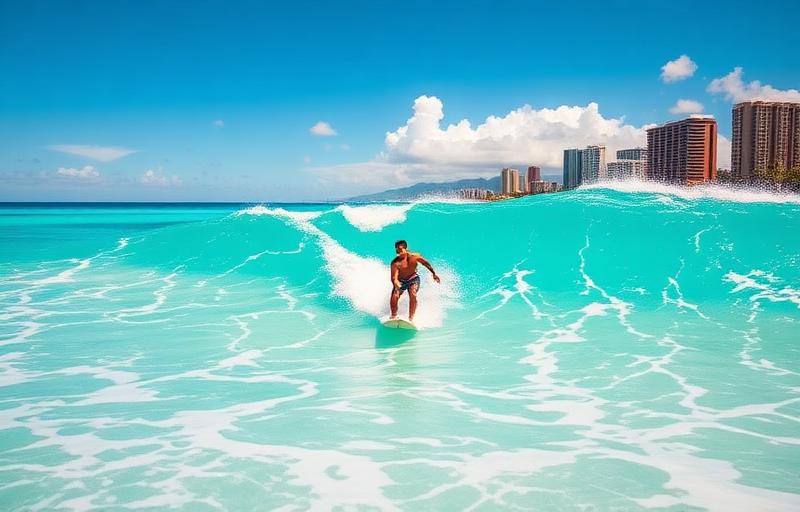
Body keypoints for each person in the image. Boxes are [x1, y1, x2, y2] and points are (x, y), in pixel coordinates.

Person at [389, 240, 440, 322]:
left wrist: (434, 273)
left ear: (406, 248)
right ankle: (393, 316)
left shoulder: (415, 256)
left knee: (413, 294)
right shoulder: (395, 263)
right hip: (400, 281)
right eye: (397, 249)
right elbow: (394, 277)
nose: (399, 251)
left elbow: (426, 263)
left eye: (401, 249)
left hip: (413, 278)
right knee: (395, 295)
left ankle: (411, 318)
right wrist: (396, 283)